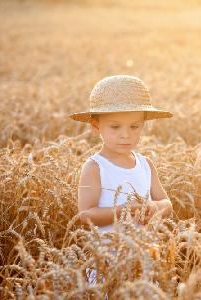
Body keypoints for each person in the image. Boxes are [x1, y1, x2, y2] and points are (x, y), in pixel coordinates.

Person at [68, 74, 173, 287]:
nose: (126, 135)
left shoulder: (145, 164)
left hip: (144, 260)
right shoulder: (95, 167)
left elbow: (167, 203)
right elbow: (86, 215)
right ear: (96, 126)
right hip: (108, 263)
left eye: (134, 127)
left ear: (143, 126)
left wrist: (153, 207)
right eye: (115, 127)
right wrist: (128, 209)